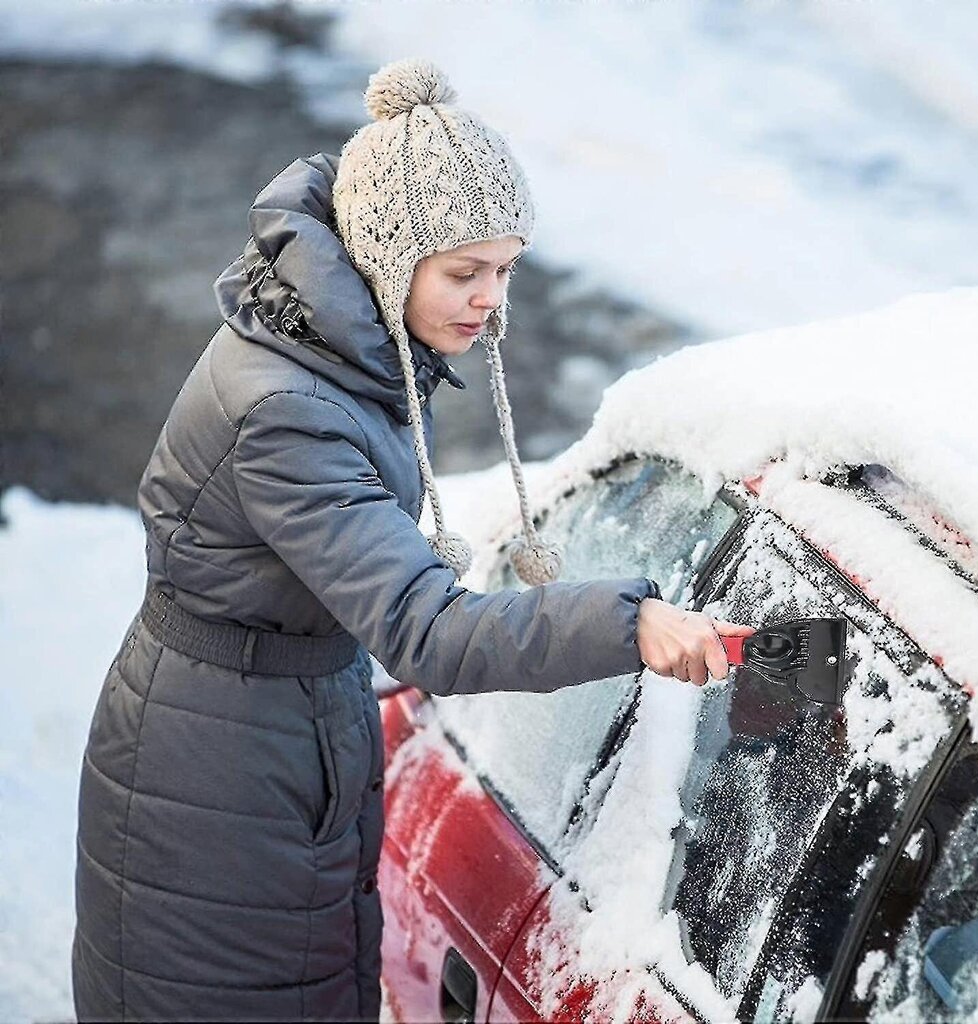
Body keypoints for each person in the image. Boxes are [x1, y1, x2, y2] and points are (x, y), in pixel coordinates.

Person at [71, 57, 754, 1023]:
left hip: (273, 732)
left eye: (506, 268)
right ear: (388, 259)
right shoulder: (289, 411)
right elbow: (427, 631)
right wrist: (626, 622)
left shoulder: (337, 346)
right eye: (464, 271)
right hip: (218, 786)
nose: (490, 300)